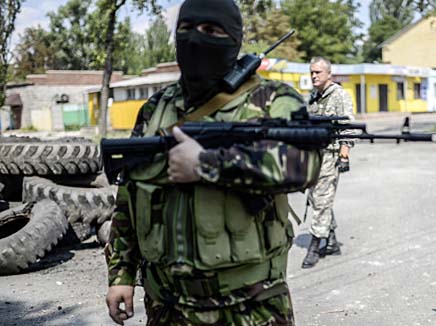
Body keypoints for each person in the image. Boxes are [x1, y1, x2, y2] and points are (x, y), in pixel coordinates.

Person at [104, 1, 321, 325]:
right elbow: (130, 196)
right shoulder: (156, 109)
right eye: (186, 29)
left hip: (250, 308)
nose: (194, 40)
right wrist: (121, 274)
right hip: (166, 309)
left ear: (233, 39)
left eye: (210, 30)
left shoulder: (273, 100)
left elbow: (303, 165)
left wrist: (207, 163)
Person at [301, 57, 355, 269]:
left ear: (328, 74)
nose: (314, 76)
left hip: (331, 155)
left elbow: (348, 127)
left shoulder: (340, 95)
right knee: (316, 197)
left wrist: (344, 155)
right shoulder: (314, 96)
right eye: (311, 72)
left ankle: (315, 244)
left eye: (318, 72)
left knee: (322, 199)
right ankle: (331, 241)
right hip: (315, 154)